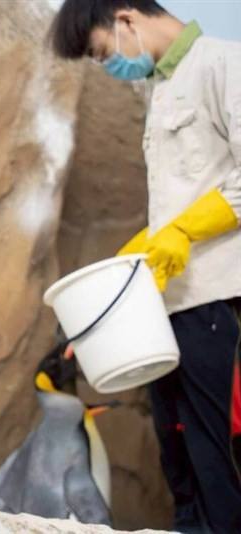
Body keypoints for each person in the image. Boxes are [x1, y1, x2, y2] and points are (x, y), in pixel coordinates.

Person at [49, 2, 241, 532]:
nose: (109, 66)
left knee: (219, 458)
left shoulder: (224, 63)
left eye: (104, 52)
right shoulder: (161, 90)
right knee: (178, 455)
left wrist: (184, 229)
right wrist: (150, 244)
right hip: (169, 309)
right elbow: (189, 193)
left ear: (127, 20)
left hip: (220, 306)